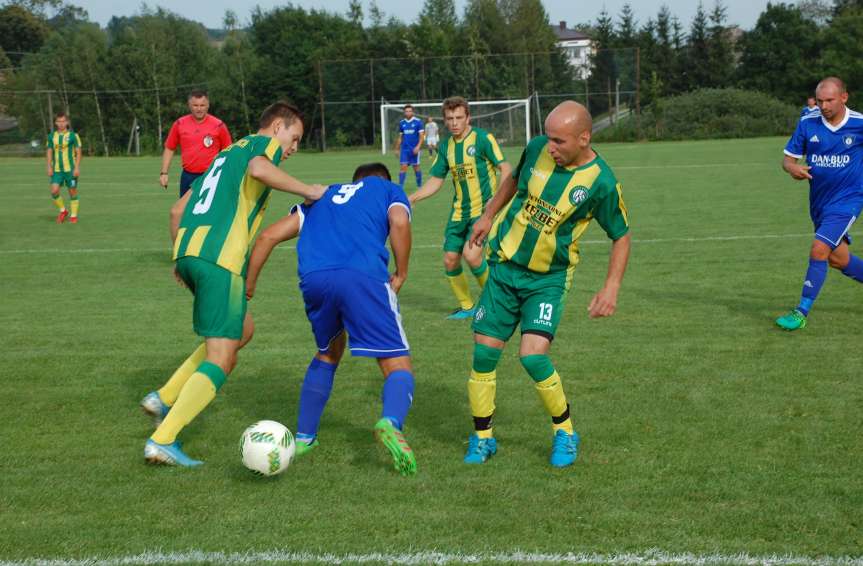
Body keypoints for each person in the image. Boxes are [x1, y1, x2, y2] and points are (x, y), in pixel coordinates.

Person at [140, 101, 326, 466]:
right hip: (220, 259)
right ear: (276, 127)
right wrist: (309, 190)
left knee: (242, 328)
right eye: (294, 138)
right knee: (222, 357)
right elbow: (260, 168)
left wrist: (183, 256)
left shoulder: (226, 153)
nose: (293, 148)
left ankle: (164, 397)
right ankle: (163, 438)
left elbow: (177, 210)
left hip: (192, 252)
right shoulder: (260, 148)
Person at [463, 100, 631, 468]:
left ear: (584, 138)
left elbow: (621, 235)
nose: (549, 146)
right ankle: (483, 439)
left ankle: (566, 433)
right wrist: (488, 215)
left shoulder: (601, 181)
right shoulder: (537, 148)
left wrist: (611, 288)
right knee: (484, 356)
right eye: (548, 138)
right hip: (504, 268)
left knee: (533, 356)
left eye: (559, 141)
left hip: (548, 280)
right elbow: (512, 180)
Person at [245, 163, 417, 476]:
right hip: (361, 275)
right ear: (382, 181)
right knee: (397, 364)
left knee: (329, 350)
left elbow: (267, 237)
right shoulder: (388, 189)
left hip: (315, 279)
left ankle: (304, 438)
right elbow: (399, 222)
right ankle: (390, 422)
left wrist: (249, 286)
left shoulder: (321, 195)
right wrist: (402, 271)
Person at [409, 96, 511, 320]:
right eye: (449, 119)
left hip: (482, 213)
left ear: (468, 117)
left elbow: (505, 169)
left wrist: (495, 203)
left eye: (459, 118)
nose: (454, 123)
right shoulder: (445, 147)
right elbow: (436, 180)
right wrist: (413, 198)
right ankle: (467, 307)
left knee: (472, 256)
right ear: (444, 120)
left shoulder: (483, 139)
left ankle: (496, 302)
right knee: (450, 260)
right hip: (458, 215)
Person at [776, 77, 863, 331]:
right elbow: (787, 160)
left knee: (819, 250)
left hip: (848, 200)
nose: (823, 106)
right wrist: (793, 169)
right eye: (821, 100)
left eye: (829, 100)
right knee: (839, 260)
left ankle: (801, 312)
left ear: (844, 97)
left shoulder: (859, 123)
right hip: (820, 203)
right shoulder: (808, 122)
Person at [160, 89, 233, 198]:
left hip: (212, 176)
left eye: (202, 105)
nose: (199, 109)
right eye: (195, 105)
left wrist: (228, 175)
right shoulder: (179, 124)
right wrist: (164, 173)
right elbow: (170, 148)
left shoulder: (218, 125)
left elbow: (229, 152)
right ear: (189, 105)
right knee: (185, 211)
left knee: (210, 212)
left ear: (208, 105)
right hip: (188, 176)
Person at [46, 112, 82, 224]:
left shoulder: (73, 136)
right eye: (59, 121)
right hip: (57, 170)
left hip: (70, 170)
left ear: (67, 122)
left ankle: (74, 215)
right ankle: (63, 211)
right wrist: (49, 166)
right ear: (56, 123)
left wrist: (76, 168)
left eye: (63, 121)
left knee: (72, 191)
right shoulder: (51, 136)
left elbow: (79, 152)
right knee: (54, 190)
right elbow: (49, 151)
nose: (61, 124)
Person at [394, 104, 425, 190]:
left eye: (410, 111)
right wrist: (397, 149)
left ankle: (419, 186)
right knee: (403, 167)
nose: (408, 113)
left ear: (413, 112)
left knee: (416, 168)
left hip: (414, 149)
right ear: (404, 112)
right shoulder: (402, 123)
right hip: (404, 150)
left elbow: (422, 136)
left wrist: (418, 147)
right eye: (406, 111)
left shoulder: (418, 122)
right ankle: (400, 187)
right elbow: (400, 137)